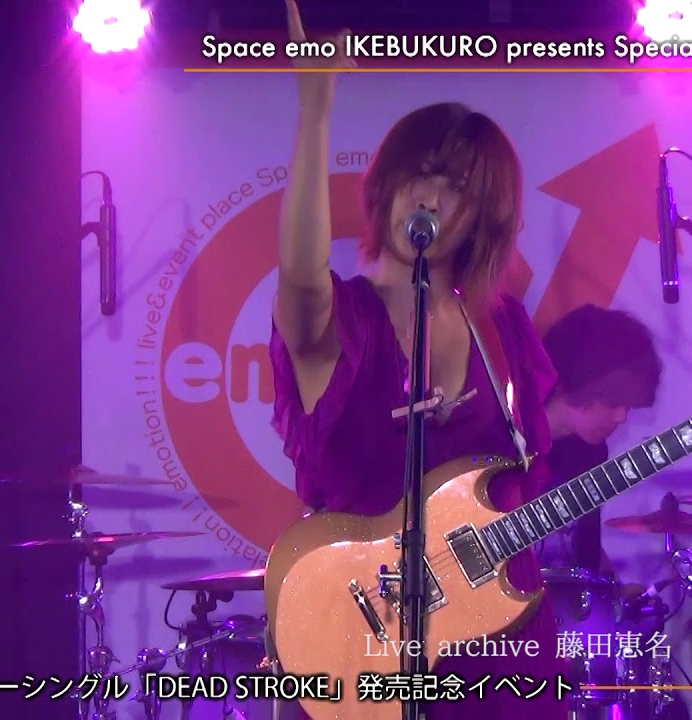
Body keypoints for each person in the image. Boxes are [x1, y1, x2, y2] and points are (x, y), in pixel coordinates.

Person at [267, 1, 565, 717]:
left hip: (502, 647)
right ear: (389, 182)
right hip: (365, 647)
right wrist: (315, 112)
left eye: (458, 186)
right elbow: (301, 280)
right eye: (423, 173)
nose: (431, 195)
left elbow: (521, 483)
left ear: (483, 215)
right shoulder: (347, 320)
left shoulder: (503, 328)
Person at [536, 304, 663, 576]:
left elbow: (582, 547)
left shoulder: (589, 451)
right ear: (577, 384)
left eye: (628, 406)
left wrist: (614, 589)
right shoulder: (505, 445)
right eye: (614, 402)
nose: (622, 417)